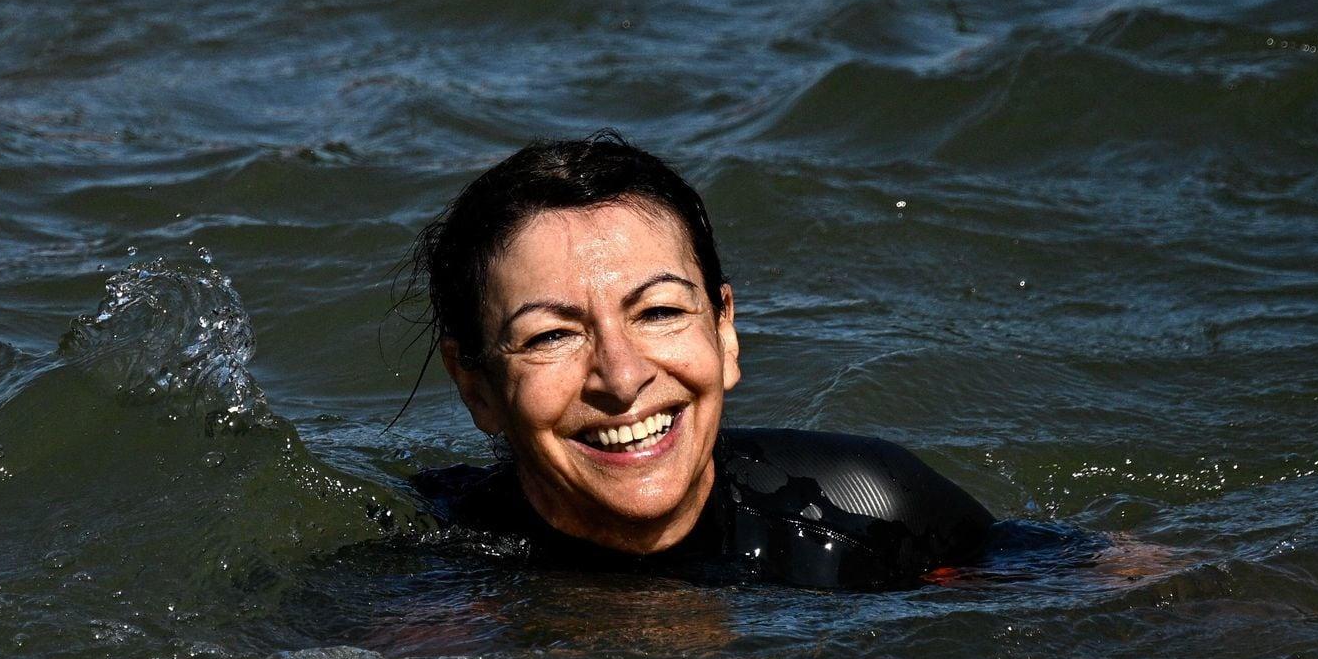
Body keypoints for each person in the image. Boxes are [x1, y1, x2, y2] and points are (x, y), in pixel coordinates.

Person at [402, 130, 994, 591]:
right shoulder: (428, 585)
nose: (624, 375)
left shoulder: (870, 513)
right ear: (476, 387)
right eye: (552, 336)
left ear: (724, 331)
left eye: (659, 312)